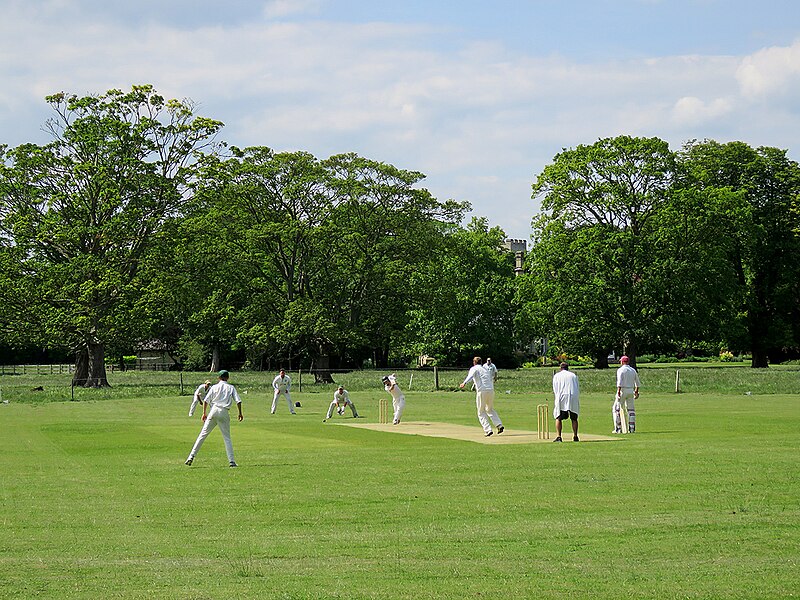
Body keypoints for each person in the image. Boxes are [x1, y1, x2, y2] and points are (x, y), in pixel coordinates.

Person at [185, 370, 243, 467]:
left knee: (202, 435)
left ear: (219, 378)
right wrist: (240, 413)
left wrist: (204, 413)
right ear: (227, 378)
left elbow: (206, 401)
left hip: (213, 410)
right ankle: (231, 461)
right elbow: (238, 401)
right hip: (224, 412)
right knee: (227, 438)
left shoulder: (214, 387)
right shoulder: (231, 387)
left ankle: (191, 457)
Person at [459, 356, 504, 437]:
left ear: (474, 362)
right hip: (491, 390)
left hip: (482, 391)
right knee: (489, 409)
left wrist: (464, 383)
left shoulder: (474, 368)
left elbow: (470, 376)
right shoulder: (485, 368)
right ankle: (499, 425)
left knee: (481, 412)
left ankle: (488, 430)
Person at [552, 362, 580, 442]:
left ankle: (559, 436)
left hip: (561, 396)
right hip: (573, 396)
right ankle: (575, 436)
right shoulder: (573, 375)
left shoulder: (557, 376)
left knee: (558, 417)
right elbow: (577, 387)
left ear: (560, 368)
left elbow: (555, 388)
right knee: (574, 417)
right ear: (568, 368)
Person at [615, 355, 641, 433]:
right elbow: (637, 383)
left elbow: (619, 382)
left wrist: (618, 391)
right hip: (630, 391)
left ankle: (619, 428)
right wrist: (636, 391)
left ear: (622, 362)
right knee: (631, 410)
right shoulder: (633, 370)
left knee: (617, 409)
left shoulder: (620, 370)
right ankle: (632, 428)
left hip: (623, 390)